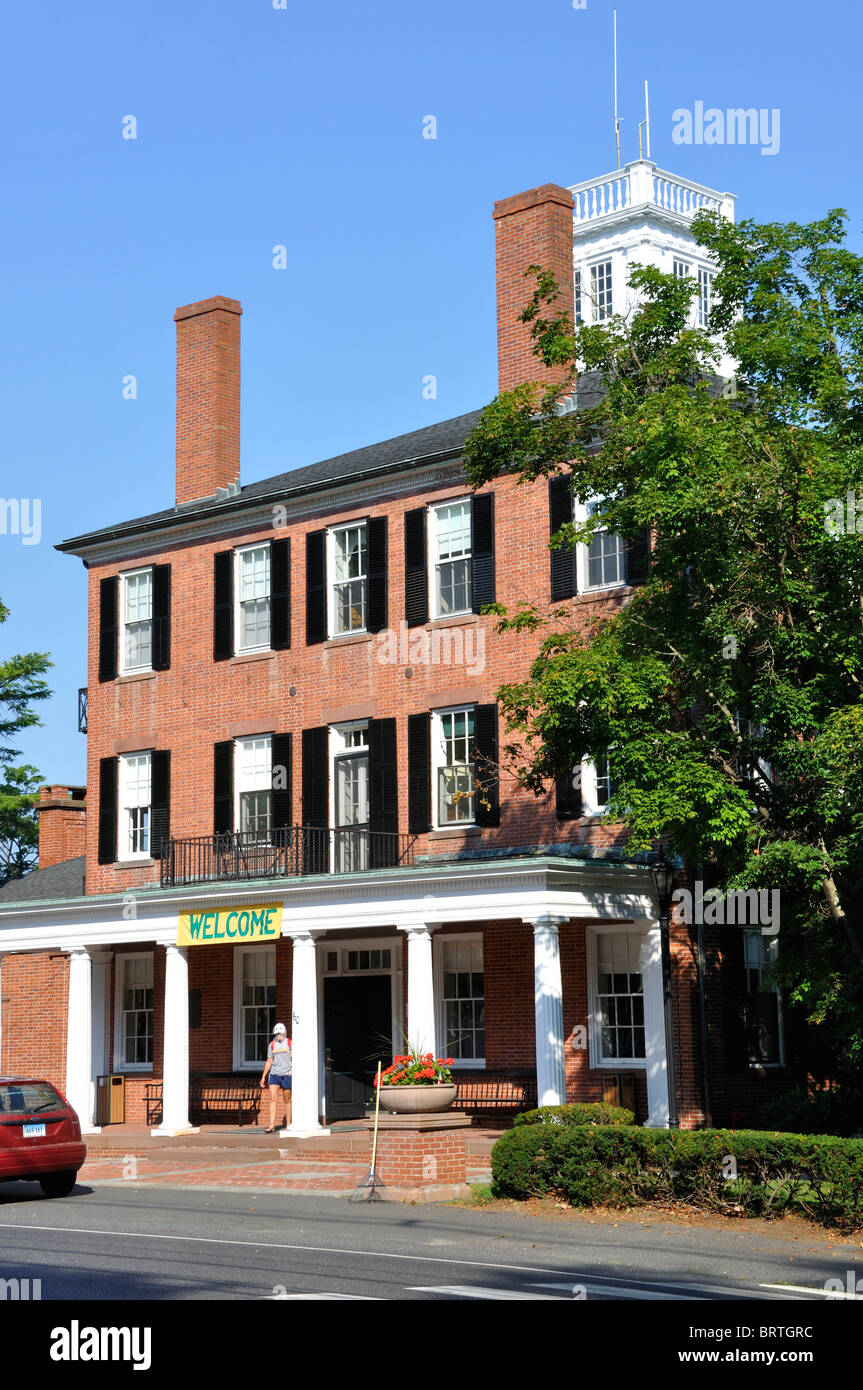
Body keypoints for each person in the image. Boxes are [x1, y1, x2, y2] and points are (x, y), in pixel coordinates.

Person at [261, 1022, 292, 1132]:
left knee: (287, 1099)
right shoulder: (272, 1045)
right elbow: (269, 1061)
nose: (278, 1035)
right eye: (277, 1033)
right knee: (273, 1099)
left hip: (287, 1075)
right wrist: (263, 1077)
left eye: (280, 1033)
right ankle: (271, 1125)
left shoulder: (290, 1043)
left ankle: (288, 1124)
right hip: (274, 1074)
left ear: (284, 1032)